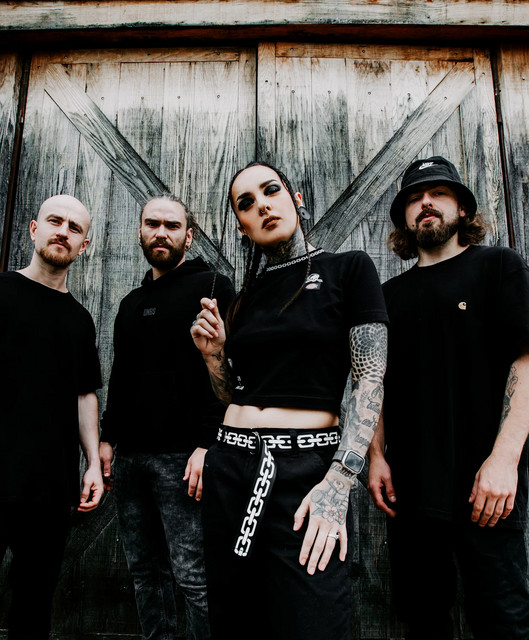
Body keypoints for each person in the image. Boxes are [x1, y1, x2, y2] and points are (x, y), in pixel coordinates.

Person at [191, 162, 388, 640]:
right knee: (236, 623)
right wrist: (214, 356)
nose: (262, 205)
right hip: (230, 466)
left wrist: (340, 481)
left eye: (271, 190)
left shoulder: (348, 268)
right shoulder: (246, 298)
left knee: (312, 620)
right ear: (243, 226)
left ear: (295, 198)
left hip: (304, 472)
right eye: (246, 203)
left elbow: (369, 379)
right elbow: (232, 393)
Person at [368, 156, 529, 640]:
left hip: (486, 487)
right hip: (410, 491)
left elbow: (525, 362)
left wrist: (504, 460)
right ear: (404, 219)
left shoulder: (498, 266)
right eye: (415, 198)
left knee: (504, 619)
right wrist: (376, 457)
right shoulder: (387, 296)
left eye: (438, 193)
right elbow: (372, 382)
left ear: (462, 208)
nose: (426, 203)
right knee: (422, 620)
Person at [99, 195, 234, 640]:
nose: (161, 233)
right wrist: (107, 439)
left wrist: (209, 443)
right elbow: (121, 377)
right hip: (130, 459)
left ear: (188, 236)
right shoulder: (130, 303)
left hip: (184, 459)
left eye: (172, 226)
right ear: (139, 231)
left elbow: (229, 370)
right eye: (152, 224)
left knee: (194, 577)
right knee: (145, 574)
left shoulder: (213, 287)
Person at [0, 194, 103, 640]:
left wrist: (93, 464)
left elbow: (84, 395)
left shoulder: (79, 320)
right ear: (33, 229)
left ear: (84, 246)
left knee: (34, 603)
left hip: (50, 487)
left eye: (75, 228)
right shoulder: (1, 292)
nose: (63, 231)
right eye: (55, 221)